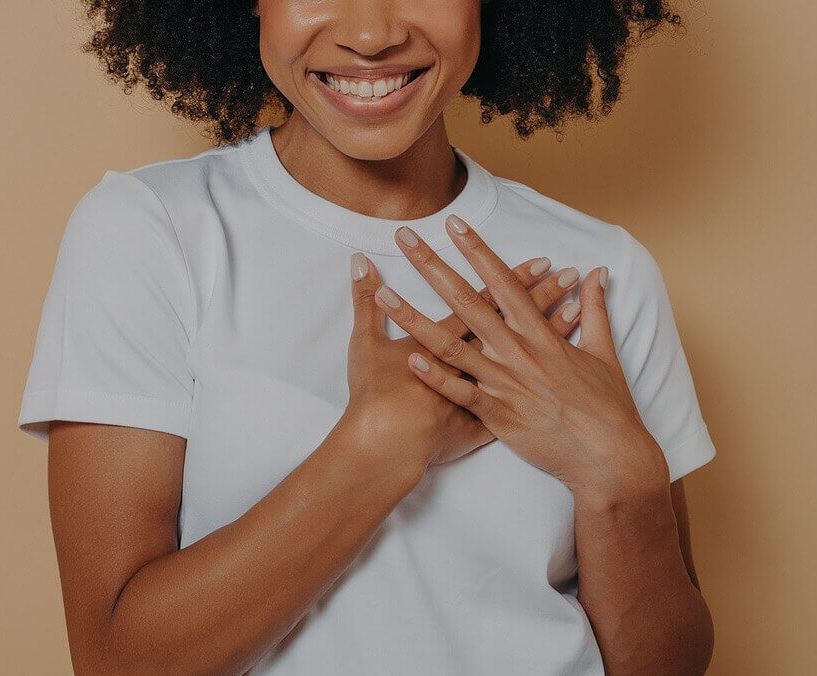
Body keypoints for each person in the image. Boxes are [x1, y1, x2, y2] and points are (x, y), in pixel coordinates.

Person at [17, 0, 717, 674]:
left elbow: (665, 665)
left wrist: (618, 472)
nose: (371, 32)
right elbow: (117, 663)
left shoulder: (600, 269)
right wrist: (381, 442)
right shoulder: (155, 230)